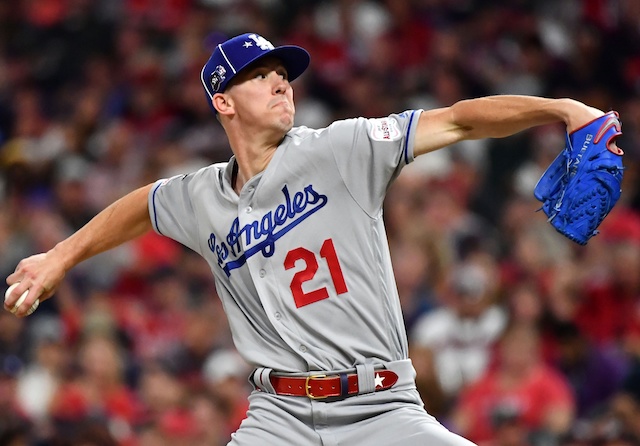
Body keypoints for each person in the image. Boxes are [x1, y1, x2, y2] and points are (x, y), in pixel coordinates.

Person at [4, 32, 615, 445]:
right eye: (260, 77)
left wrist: (559, 108)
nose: (280, 84)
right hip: (279, 417)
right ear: (223, 101)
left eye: (283, 74)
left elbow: (455, 119)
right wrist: (61, 256)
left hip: (380, 408)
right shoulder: (201, 197)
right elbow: (142, 205)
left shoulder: (341, 149)